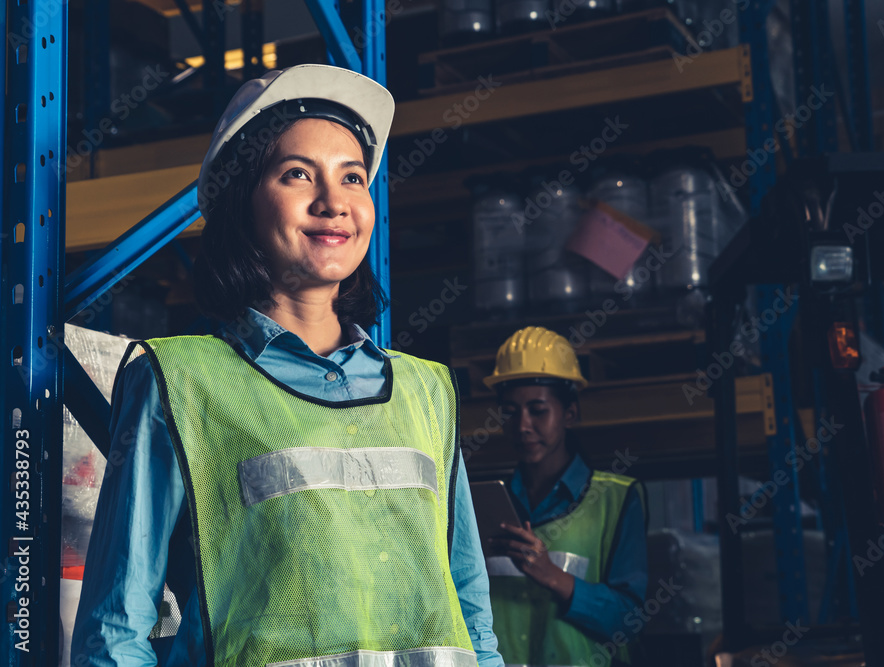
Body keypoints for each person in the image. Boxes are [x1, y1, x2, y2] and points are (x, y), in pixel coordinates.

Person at [72, 64, 503, 667]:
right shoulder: (179, 382)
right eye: (298, 174)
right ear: (241, 204)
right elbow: (114, 635)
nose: (334, 202)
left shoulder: (426, 388)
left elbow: (472, 614)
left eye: (353, 177)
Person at [483, 326, 648, 667]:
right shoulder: (483, 504)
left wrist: (552, 576)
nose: (523, 425)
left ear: (570, 413)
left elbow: (631, 620)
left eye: (538, 409)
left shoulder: (616, 500)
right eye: (511, 411)